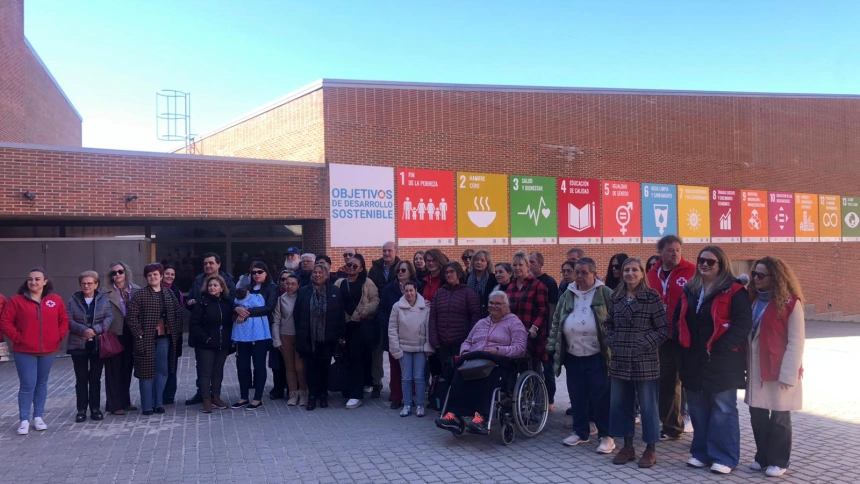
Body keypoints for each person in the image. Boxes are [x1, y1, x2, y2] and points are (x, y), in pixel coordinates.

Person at [674, 246, 751, 474]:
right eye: (701, 260)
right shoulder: (690, 289)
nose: (704, 264)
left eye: (710, 261)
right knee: (698, 409)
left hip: (722, 361)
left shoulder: (735, 290)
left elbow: (742, 323)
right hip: (693, 360)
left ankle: (725, 457)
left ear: (721, 265)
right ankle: (701, 452)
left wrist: (722, 347)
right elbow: (679, 320)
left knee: (722, 409)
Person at [606, 257, 669, 468]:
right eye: (626, 270)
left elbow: (663, 330)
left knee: (648, 406)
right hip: (620, 359)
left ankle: (651, 449)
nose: (630, 273)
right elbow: (609, 325)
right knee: (620, 404)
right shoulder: (616, 297)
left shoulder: (652, 297)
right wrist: (612, 340)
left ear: (642, 273)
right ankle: (627, 446)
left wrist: (642, 343)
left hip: (645, 359)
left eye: (634, 270)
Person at [434, 291, 527, 433]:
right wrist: (465, 352)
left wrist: (498, 350)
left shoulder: (514, 323)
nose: (493, 306)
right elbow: (467, 341)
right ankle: (453, 415)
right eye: (491, 303)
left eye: (498, 303)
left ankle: (481, 418)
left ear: (506, 307)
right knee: (459, 374)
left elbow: (520, 348)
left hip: (498, 363)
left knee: (488, 377)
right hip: (474, 361)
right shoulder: (481, 323)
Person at [745, 257, 805, 478]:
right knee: (757, 415)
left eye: (761, 275)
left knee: (779, 417)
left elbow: (796, 341)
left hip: (779, 369)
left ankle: (779, 460)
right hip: (756, 368)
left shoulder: (791, 303)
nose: (756, 279)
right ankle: (763, 456)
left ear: (776, 278)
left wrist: (789, 375)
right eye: (754, 275)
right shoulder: (751, 299)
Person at [547, 257, 614, 453]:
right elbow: (557, 322)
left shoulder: (605, 293)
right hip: (573, 355)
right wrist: (552, 347)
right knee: (577, 395)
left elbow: (616, 319)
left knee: (600, 397)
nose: (579, 276)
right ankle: (581, 432)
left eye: (584, 273)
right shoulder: (567, 295)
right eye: (577, 272)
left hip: (597, 355)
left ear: (594, 273)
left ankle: (606, 436)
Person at [0, 268, 69, 435]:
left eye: (37, 279)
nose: (33, 282)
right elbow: (5, 321)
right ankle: (24, 420)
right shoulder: (16, 301)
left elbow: (64, 320)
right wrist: (18, 338)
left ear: (45, 281)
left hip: (48, 350)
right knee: (27, 385)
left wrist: (57, 336)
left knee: (41, 384)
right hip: (24, 351)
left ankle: (38, 417)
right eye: (30, 279)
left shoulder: (55, 300)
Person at [645, 235, 697, 441]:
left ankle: (699, 427)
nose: (675, 253)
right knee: (666, 384)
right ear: (661, 252)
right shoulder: (652, 273)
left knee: (690, 383)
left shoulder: (692, 271)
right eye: (670, 250)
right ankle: (671, 428)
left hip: (685, 336)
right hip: (661, 337)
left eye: (677, 249)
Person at [126, 263, 183, 416]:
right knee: (146, 372)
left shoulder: (169, 294)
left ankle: (158, 403)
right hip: (145, 339)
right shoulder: (140, 294)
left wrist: (175, 333)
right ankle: (147, 406)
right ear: (146, 277)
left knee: (162, 371)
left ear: (161, 276)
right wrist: (139, 334)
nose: (153, 277)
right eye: (150, 275)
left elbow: (178, 314)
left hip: (164, 338)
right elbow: (131, 317)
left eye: (155, 274)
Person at [185, 252, 236, 406]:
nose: (208, 266)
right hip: (203, 332)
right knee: (202, 366)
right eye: (205, 263)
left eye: (211, 263)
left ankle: (215, 395)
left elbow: (232, 302)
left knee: (217, 369)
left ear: (218, 264)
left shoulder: (228, 280)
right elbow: (190, 301)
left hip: (221, 335)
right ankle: (202, 394)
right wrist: (190, 302)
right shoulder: (198, 280)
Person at [294, 264, 346, 410]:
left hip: (328, 336)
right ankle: (312, 396)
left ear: (326, 275)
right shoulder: (304, 291)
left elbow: (340, 313)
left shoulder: (335, 291)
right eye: (315, 272)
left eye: (320, 273)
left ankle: (323, 394)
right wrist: (300, 334)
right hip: (308, 337)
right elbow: (297, 315)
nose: (317, 275)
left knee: (324, 367)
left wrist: (341, 335)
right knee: (310, 368)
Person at [66, 270, 113, 423]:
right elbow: (67, 319)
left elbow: (109, 317)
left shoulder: (103, 300)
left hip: (98, 343)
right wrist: (83, 330)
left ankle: (95, 408)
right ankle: (81, 410)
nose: (86, 286)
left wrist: (95, 330)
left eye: (90, 283)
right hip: (78, 343)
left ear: (96, 285)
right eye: (84, 283)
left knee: (95, 378)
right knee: (81, 379)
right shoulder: (73, 301)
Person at [231, 261, 278, 410]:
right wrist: (237, 308)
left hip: (260, 333)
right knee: (242, 366)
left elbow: (268, 307)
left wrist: (245, 313)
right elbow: (233, 303)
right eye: (253, 272)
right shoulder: (245, 288)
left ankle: (257, 398)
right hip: (243, 332)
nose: (256, 274)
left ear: (266, 273)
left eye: (259, 272)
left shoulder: (272, 288)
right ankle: (243, 396)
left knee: (259, 365)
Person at [334, 254, 379, 409]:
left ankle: (356, 394)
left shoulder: (367, 283)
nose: (351, 267)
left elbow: (375, 300)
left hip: (360, 326)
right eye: (348, 264)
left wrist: (366, 310)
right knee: (345, 358)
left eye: (354, 266)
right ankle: (349, 388)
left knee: (356, 359)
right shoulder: (340, 283)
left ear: (360, 269)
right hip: (344, 326)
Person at [377, 260, 419, 409]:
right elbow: (382, 310)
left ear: (410, 272)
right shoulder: (390, 289)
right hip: (394, 335)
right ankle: (396, 396)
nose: (400, 273)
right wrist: (388, 324)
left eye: (403, 270)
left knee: (411, 370)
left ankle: (410, 396)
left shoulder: (417, 287)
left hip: (413, 335)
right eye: (398, 270)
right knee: (395, 368)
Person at [506, 250, 549, 390]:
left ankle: (537, 403)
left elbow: (543, 310)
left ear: (527, 266)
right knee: (512, 370)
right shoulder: (510, 287)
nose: (517, 268)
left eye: (521, 264)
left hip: (532, 334)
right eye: (515, 265)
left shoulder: (538, 286)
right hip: (514, 335)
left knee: (534, 370)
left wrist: (534, 327)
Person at [388, 281, 433, 417]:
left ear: (416, 290)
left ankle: (420, 405)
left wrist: (428, 346)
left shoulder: (425, 307)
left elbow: (428, 328)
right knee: (406, 378)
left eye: (411, 290)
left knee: (419, 378)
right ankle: (407, 404)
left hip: (419, 348)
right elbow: (392, 329)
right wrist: (395, 348)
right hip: (404, 347)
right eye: (406, 291)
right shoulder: (397, 307)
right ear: (403, 291)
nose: (409, 294)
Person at [429, 262, 480, 378]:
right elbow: (432, 317)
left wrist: (470, 339)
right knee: (445, 374)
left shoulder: (468, 294)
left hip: (461, 343)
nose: (448, 275)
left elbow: (475, 317)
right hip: (442, 343)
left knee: (460, 374)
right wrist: (434, 338)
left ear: (459, 274)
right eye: (446, 272)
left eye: (451, 272)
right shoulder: (439, 293)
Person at [103, 261, 140, 415]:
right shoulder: (105, 293)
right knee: (113, 370)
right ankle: (114, 404)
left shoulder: (136, 290)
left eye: (120, 271)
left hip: (130, 333)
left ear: (126, 272)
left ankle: (125, 401)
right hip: (114, 333)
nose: (117, 275)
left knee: (126, 368)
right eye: (114, 273)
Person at [367, 241, 401, 398]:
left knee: (395, 351)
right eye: (384, 250)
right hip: (378, 315)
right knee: (377, 351)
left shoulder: (401, 267)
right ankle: (377, 382)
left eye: (389, 250)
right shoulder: (375, 268)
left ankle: (396, 385)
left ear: (395, 251)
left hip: (397, 316)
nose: (386, 253)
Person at [529, 251, 559, 410]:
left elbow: (552, 309)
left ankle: (550, 400)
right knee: (533, 367)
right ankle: (534, 398)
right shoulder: (526, 282)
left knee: (548, 368)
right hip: (531, 332)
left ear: (541, 264)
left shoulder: (549, 282)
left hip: (545, 333)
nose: (530, 265)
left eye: (532, 262)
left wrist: (549, 333)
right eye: (529, 262)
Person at [272, 274, 307, 406]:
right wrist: (276, 339)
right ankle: (293, 394)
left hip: (300, 336)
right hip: (285, 335)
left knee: (300, 367)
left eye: (293, 284)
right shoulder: (281, 300)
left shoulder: (302, 298)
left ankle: (303, 392)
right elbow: (276, 321)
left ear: (298, 285)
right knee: (289, 367)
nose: (290, 286)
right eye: (287, 283)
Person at [162, 264, 183, 405]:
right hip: (159, 335)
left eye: (172, 274)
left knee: (172, 366)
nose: (170, 276)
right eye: (167, 273)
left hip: (173, 335)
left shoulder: (177, 292)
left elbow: (180, 314)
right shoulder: (154, 290)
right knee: (160, 366)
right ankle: (158, 394)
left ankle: (169, 395)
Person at [466, 249, 497, 318]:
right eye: (476, 260)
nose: (479, 262)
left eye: (482, 260)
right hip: (469, 314)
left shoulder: (493, 278)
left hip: (488, 315)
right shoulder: (466, 277)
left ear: (487, 263)